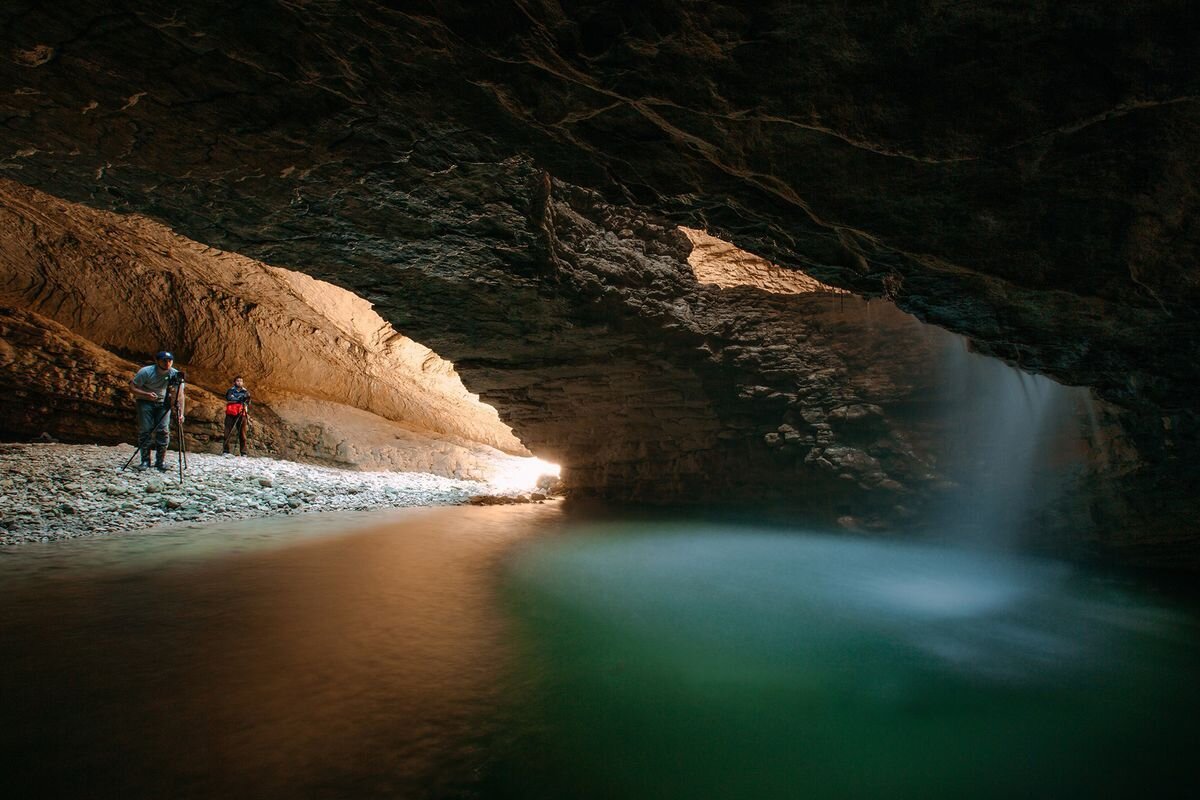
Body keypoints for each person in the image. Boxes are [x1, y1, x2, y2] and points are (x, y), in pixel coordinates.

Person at [129, 350, 185, 472]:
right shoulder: (146, 372)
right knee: (146, 430)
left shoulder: (175, 374)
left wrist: (181, 413)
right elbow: (132, 387)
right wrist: (146, 394)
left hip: (163, 404)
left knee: (163, 431)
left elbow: (180, 395)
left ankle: (160, 461)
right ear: (157, 361)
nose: (167, 363)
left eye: (170, 360)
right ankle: (145, 461)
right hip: (145, 402)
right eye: (164, 360)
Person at [222, 375, 252, 456]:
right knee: (227, 432)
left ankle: (243, 452)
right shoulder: (230, 390)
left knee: (242, 433)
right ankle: (226, 451)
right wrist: (240, 399)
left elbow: (248, 402)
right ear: (234, 382)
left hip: (242, 413)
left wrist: (243, 399)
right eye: (238, 381)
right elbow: (229, 398)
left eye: (241, 381)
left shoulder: (246, 391)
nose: (239, 382)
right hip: (231, 413)